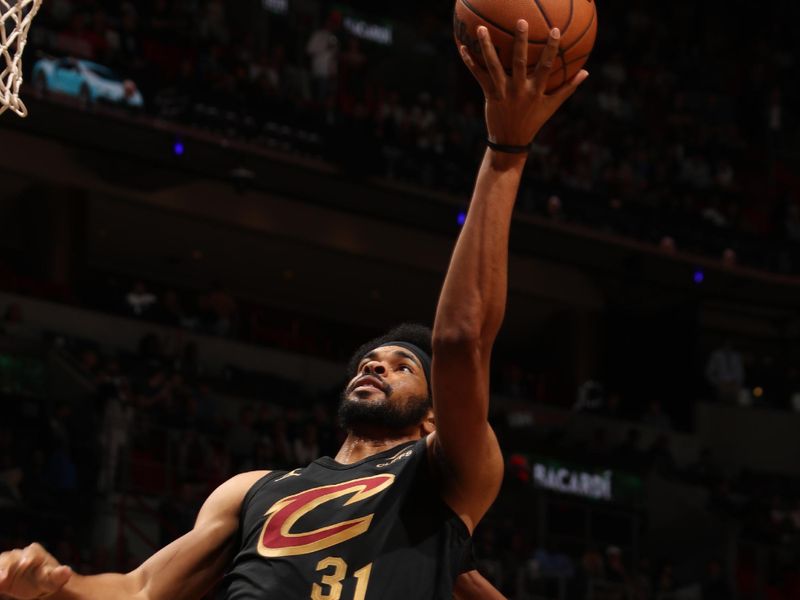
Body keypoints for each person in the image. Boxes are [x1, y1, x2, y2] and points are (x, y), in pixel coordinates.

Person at [0, 21, 587, 600]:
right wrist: (59, 585)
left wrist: (506, 155)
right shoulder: (253, 490)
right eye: (371, 361)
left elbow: (460, 340)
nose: (375, 366)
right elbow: (141, 587)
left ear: (434, 417)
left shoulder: (449, 472)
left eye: (401, 366)